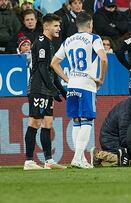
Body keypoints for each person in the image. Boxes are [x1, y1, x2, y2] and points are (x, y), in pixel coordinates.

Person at [51, 12, 108, 169]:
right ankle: (77, 157)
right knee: (87, 121)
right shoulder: (94, 38)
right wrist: (101, 79)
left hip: (73, 84)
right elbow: (103, 58)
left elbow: (54, 63)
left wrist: (67, 79)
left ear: (77, 25)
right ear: (90, 25)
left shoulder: (68, 40)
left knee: (77, 121)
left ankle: (80, 158)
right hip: (87, 84)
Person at [23, 13, 66, 170]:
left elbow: (50, 72)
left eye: (59, 26)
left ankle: (48, 161)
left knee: (47, 123)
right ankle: (28, 161)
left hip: (46, 89)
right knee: (35, 122)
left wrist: (62, 91)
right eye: (55, 26)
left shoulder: (50, 43)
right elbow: (41, 68)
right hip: (38, 88)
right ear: (46, 26)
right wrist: (53, 90)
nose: (58, 28)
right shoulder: (41, 42)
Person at [90, 95, 131, 167]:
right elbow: (124, 140)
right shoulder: (126, 114)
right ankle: (99, 156)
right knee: (129, 162)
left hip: (117, 139)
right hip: (110, 141)